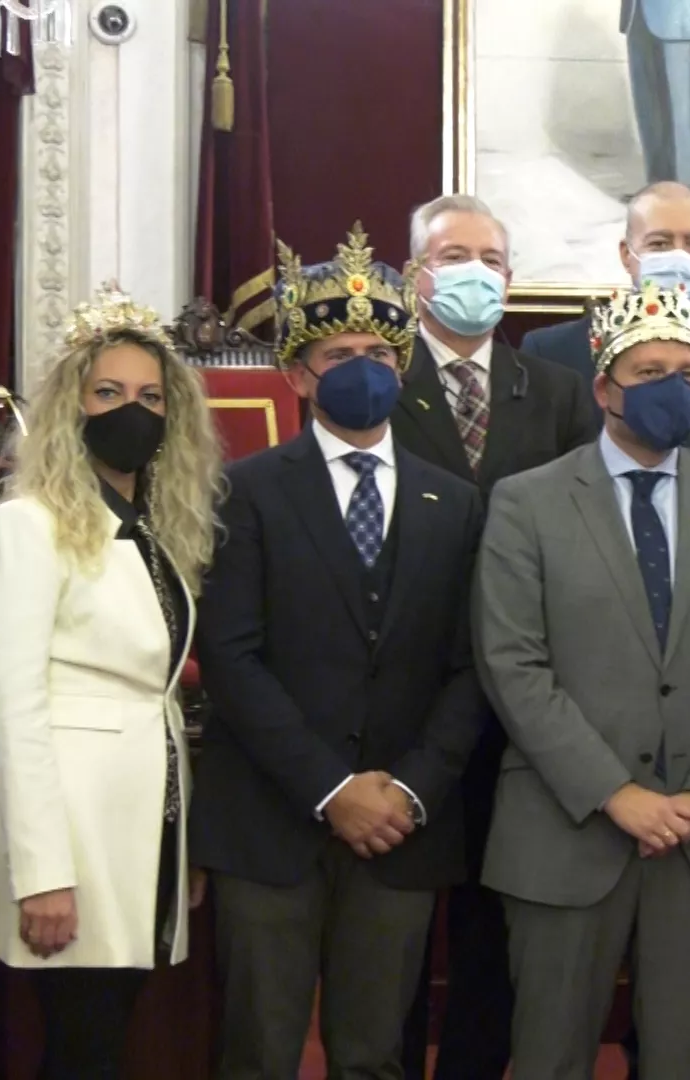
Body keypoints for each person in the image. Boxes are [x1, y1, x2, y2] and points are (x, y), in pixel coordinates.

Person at [477, 280, 690, 1078]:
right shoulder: (526, 502)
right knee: (549, 1056)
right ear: (604, 390)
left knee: (685, 1060)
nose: (673, 389)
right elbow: (513, 664)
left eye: (686, 374)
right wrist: (616, 794)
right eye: (650, 372)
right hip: (567, 829)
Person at [191, 226, 488, 1078]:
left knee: (375, 1055)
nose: (363, 366)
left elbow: (474, 665)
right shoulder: (243, 491)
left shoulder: (456, 502)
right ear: (297, 374)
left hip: (402, 826)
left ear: (401, 368)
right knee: (258, 1050)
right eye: (338, 351)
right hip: (270, 822)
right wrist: (331, 788)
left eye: (378, 350)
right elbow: (233, 656)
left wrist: (408, 788)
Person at [0, 288, 220, 1078]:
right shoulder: (28, 522)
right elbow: (13, 707)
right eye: (110, 393)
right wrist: (41, 870)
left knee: (109, 1040)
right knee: (80, 1050)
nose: (134, 410)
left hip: (142, 833)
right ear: (72, 407)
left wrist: (178, 843)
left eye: (152, 396)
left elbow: (154, 698)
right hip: (72, 843)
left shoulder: (153, 533)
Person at [393, 193, 599, 1080]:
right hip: (404, 690)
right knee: (394, 925)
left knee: (496, 916)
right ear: (414, 276)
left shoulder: (553, 391)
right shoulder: (374, 376)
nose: (473, 272)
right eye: (451, 256)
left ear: (510, 280)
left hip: (524, 702)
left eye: (489, 258)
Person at [524, 181, 690, 492]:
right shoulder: (552, 353)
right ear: (627, 254)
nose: (679, 257)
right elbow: (536, 489)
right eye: (660, 244)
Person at [621, 0, 690, 188]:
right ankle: (657, 189)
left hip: (675, 20)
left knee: (679, 117)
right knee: (647, 112)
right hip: (636, 18)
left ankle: (684, 191)